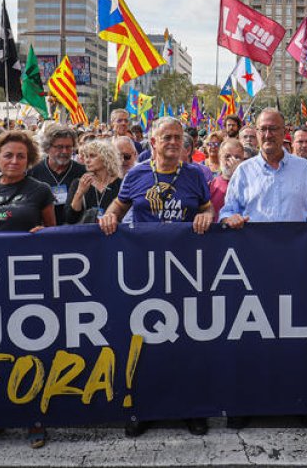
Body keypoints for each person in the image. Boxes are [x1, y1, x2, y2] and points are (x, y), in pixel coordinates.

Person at [98, 116, 212, 437]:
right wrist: (109, 217)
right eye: (167, 138)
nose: (173, 143)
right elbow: (118, 209)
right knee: (144, 342)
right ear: (153, 143)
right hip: (144, 273)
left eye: (178, 138)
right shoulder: (135, 175)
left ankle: (191, 409)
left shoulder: (195, 175)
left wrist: (205, 216)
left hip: (186, 272)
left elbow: (206, 208)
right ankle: (143, 409)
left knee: (186, 341)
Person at [0, 130, 56, 451]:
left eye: (20, 155)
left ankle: (34, 417)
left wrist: (43, 233)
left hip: (31, 280)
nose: (14, 161)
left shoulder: (40, 189)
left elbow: (53, 231)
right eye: (8, 155)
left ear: (29, 159)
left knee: (30, 348)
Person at [219, 109, 307, 229]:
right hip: (255, 246)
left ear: (284, 132)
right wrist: (230, 218)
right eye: (263, 129)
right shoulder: (243, 171)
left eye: (273, 129)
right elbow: (228, 211)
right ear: (257, 133)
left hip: (296, 246)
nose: (267, 135)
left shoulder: (303, 169)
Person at [30, 124, 86, 225]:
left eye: (68, 147)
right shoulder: (34, 171)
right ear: (47, 148)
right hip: (43, 230)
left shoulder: (82, 172)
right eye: (59, 147)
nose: (64, 151)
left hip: (74, 230)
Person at [67, 139, 123, 224]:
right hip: (87, 235)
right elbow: (70, 218)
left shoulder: (121, 184)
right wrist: (80, 193)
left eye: (92, 156)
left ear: (106, 157)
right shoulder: (79, 183)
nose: (87, 160)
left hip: (113, 234)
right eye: (86, 156)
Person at [209, 138, 246, 220]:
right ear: (219, 158)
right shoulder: (212, 185)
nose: (232, 161)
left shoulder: (250, 183)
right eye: (227, 156)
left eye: (237, 157)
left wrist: (238, 174)